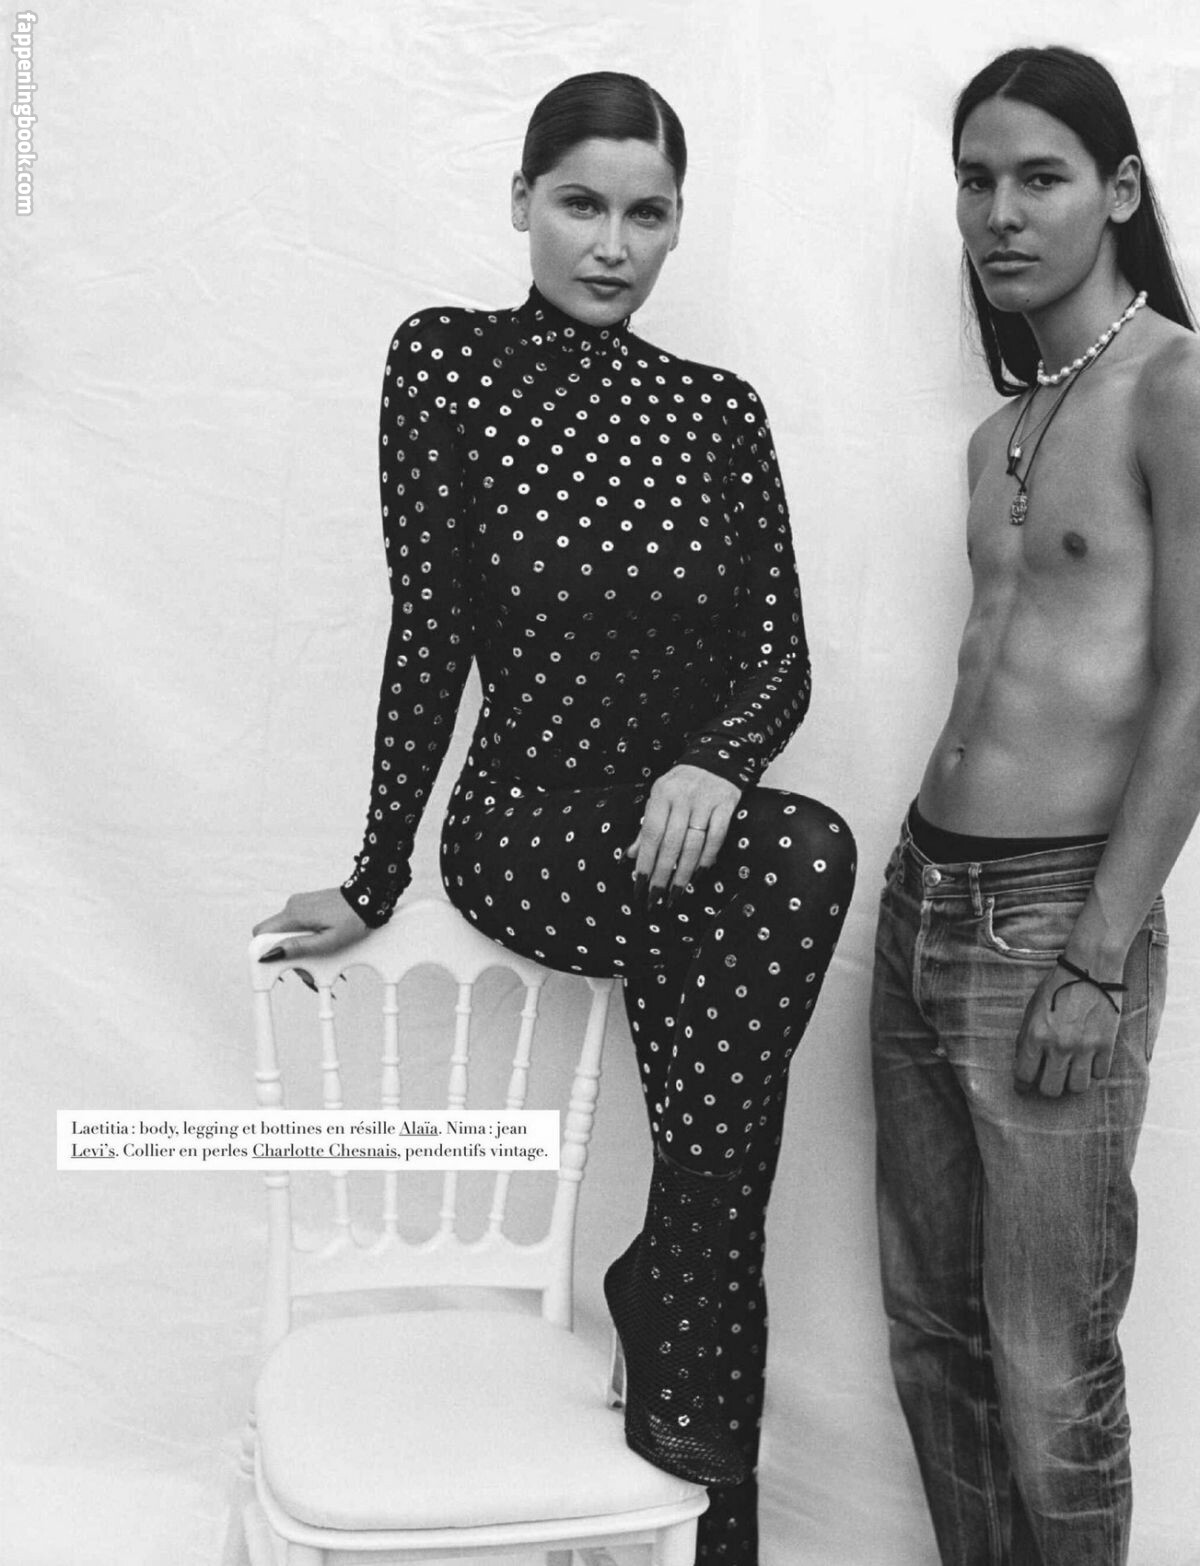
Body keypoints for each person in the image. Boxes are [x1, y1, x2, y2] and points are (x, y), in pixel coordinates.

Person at [254, 71, 855, 1565]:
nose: (611, 244)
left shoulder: (717, 412)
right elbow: (431, 631)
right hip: (530, 823)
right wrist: (376, 872)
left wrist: (715, 761)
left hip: (687, 836)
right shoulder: (447, 363)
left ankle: (691, 1373)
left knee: (787, 866)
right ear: (521, 201)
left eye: (647, 214)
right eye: (581, 204)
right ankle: (690, 1330)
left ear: (677, 227)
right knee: (794, 868)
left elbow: (776, 655)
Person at [871, 44, 1198, 1566]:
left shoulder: (1174, 388)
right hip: (923, 899)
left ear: (1120, 191)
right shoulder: (1001, 429)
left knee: (1050, 1358)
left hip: (1055, 920)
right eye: (976, 181)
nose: (999, 214)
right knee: (933, 1332)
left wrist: (1098, 951)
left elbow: (1196, 683)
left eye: (1040, 177)